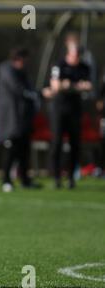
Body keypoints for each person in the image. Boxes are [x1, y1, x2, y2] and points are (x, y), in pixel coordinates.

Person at [0, 47, 41, 192]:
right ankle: (6, 180)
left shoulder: (23, 72)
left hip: (23, 119)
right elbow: (18, 90)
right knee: (11, 150)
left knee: (24, 150)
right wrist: (39, 94)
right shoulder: (5, 70)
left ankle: (25, 179)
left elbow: (28, 90)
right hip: (10, 120)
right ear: (18, 58)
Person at [42, 44, 92, 189]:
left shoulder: (84, 67)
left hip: (75, 110)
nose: (74, 58)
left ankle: (71, 178)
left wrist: (69, 84)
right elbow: (56, 86)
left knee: (75, 144)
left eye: (77, 56)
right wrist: (76, 86)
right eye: (72, 55)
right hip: (58, 109)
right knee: (56, 142)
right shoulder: (59, 65)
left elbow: (89, 86)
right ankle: (56, 177)